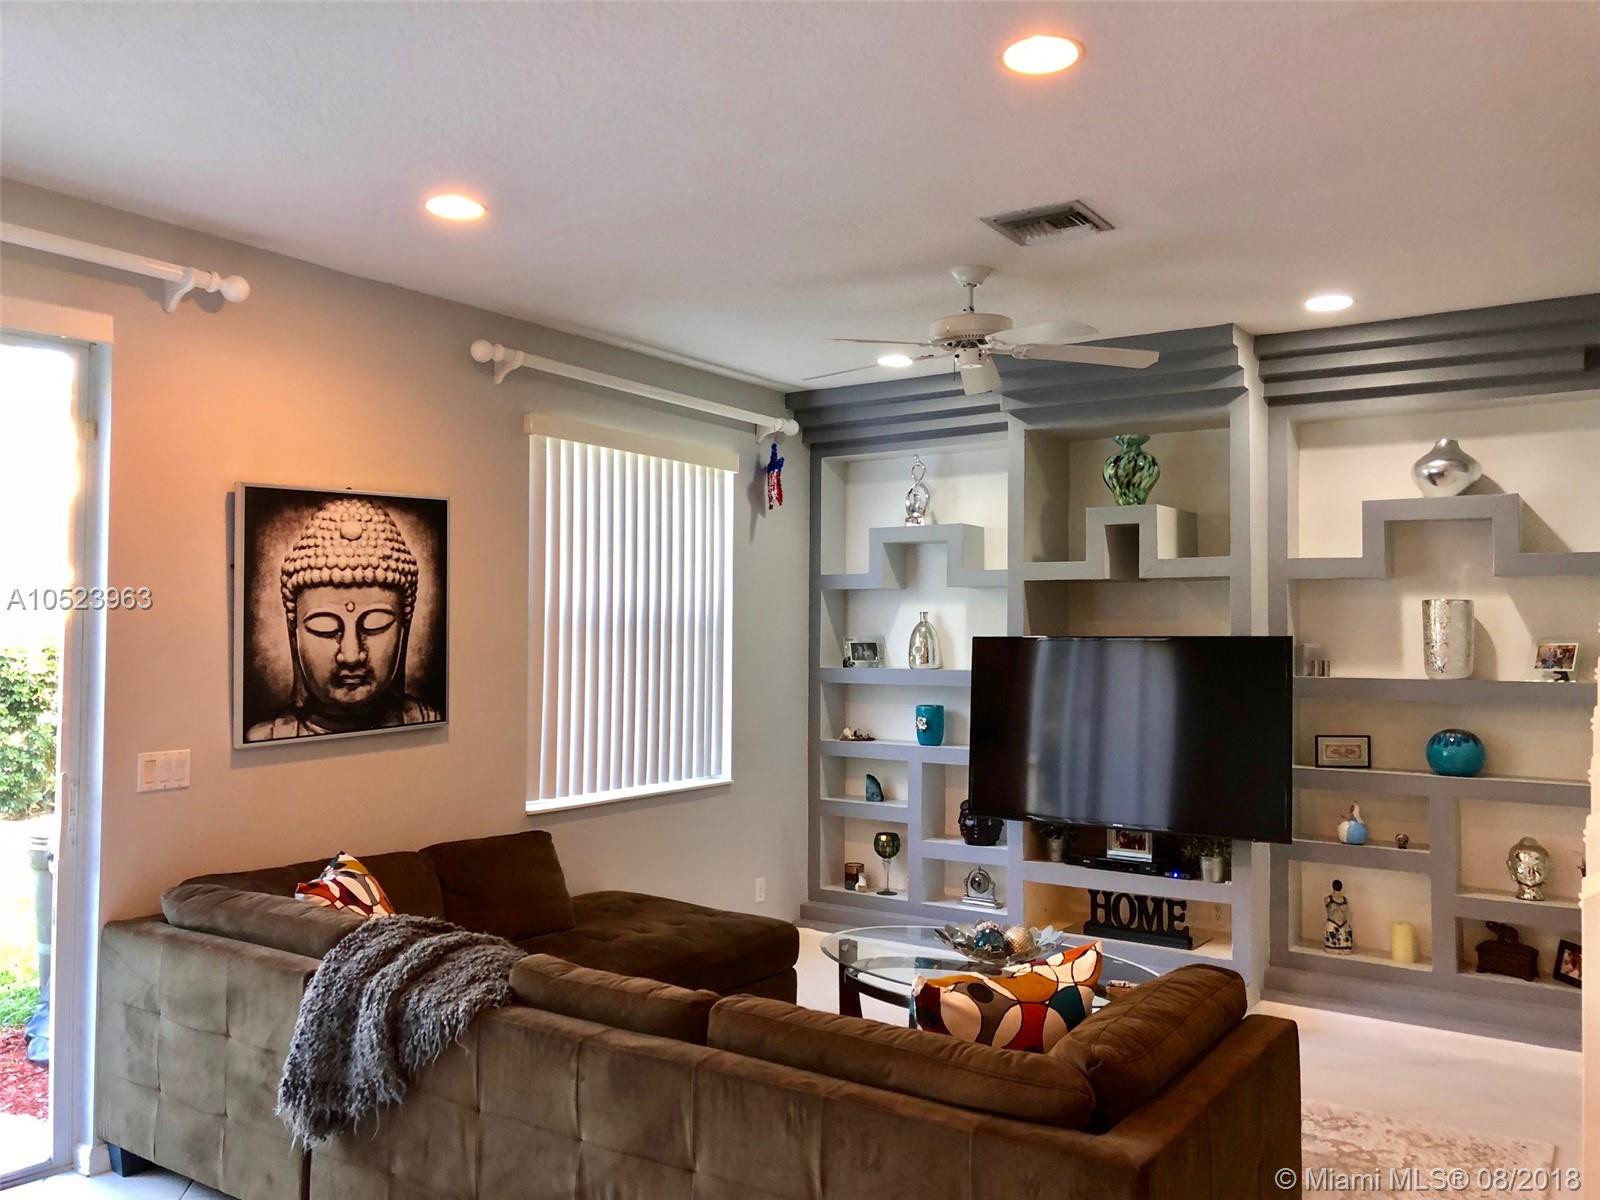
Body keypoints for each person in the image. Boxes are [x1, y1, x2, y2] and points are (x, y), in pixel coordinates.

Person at [247, 497, 439, 740]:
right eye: (324, 627)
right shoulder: (269, 737)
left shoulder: (426, 720)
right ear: (294, 634)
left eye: (375, 624)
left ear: (404, 628)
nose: (351, 655)